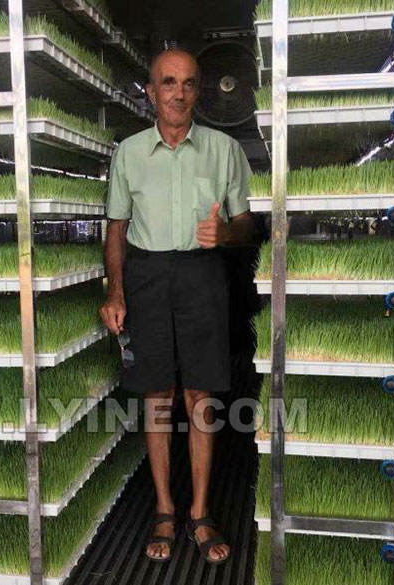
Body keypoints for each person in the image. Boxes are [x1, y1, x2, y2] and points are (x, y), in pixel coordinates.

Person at [98, 47, 255, 565]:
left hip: (202, 273)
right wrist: (116, 291)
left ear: (198, 91)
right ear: (151, 92)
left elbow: (245, 224)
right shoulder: (129, 153)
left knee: (200, 394)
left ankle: (200, 512)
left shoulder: (224, 149)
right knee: (157, 395)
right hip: (145, 274)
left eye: (188, 83)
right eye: (168, 82)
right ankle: (165, 509)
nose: (179, 93)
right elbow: (117, 227)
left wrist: (225, 233)